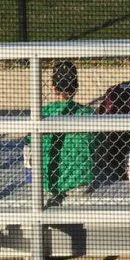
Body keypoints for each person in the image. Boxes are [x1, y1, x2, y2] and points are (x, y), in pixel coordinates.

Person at [38, 60, 95, 199]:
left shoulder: (43, 113)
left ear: (52, 86)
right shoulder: (88, 113)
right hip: (79, 180)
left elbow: (29, 140)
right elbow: (97, 142)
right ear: (76, 87)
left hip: (47, 182)